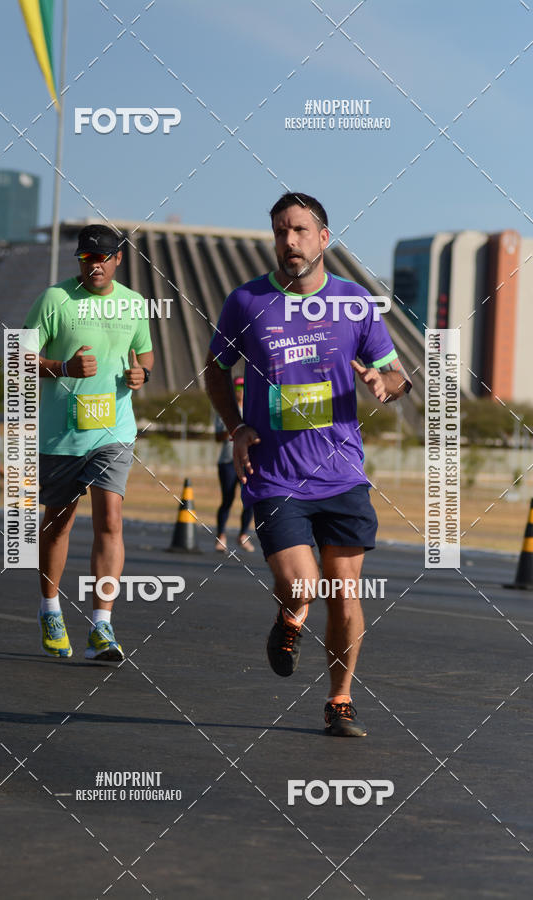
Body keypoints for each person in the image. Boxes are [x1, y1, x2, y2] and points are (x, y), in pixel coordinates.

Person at [205, 192, 411, 737]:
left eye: (299, 231)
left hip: (341, 474)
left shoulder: (354, 303)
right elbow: (215, 370)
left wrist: (381, 385)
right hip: (275, 475)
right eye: (279, 232)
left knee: (345, 594)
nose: (288, 242)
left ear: (324, 238)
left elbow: (398, 379)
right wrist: (237, 427)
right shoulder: (246, 302)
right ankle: (290, 615)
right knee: (302, 584)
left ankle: (339, 700)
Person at [24, 224, 154, 661]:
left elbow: (145, 352)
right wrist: (62, 367)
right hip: (61, 434)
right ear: (78, 260)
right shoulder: (55, 300)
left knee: (110, 521)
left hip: (113, 431)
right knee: (58, 523)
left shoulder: (134, 304)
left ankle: (102, 624)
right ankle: (50, 608)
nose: (95, 266)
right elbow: (17, 358)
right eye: (86, 259)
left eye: (102, 258)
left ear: (118, 259)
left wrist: (143, 374)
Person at [214, 375, 255, 552]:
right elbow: (217, 437)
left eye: (243, 388)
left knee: (250, 499)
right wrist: (233, 431)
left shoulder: (253, 409)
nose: (240, 392)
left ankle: (243, 534)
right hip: (227, 460)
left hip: (248, 460)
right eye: (237, 388)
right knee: (227, 499)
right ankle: (221, 535)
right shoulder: (224, 410)